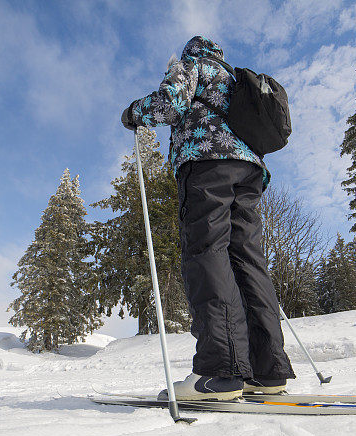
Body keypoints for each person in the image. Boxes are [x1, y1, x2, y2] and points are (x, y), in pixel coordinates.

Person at [121, 36, 295, 401]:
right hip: (249, 173)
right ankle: (267, 370)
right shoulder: (232, 81)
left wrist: (134, 112)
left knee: (207, 254)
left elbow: (169, 105)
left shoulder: (192, 67)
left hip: (207, 165)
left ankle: (221, 371)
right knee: (247, 261)